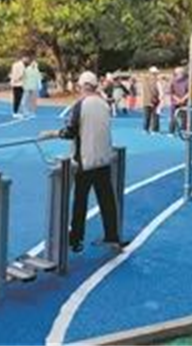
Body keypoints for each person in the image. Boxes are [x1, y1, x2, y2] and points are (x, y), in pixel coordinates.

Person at [40, 71, 127, 253]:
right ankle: (112, 237)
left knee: (80, 201)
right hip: (103, 158)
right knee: (107, 200)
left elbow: (70, 131)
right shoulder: (103, 104)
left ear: (83, 86)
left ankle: (76, 239)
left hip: (85, 160)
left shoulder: (81, 105)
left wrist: (51, 133)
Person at [169, 67, 189, 135]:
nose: (176, 75)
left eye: (179, 73)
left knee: (184, 117)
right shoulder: (173, 81)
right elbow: (171, 92)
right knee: (173, 117)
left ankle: (184, 131)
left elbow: (189, 92)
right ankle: (171, 131)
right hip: (175, 102)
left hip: (184, 102)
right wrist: (177, 99)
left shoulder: (187, 81)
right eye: (176, 73)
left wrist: (183, 99)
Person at [140, 67, 161, 133]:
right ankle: (153, 129)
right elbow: (154, 91)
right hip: (152, 100)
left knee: (147, 115)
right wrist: (155, 98)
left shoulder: (145, 80)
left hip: (146, 100)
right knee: (153, 115)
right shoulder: (154, 81)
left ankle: (146, 128)